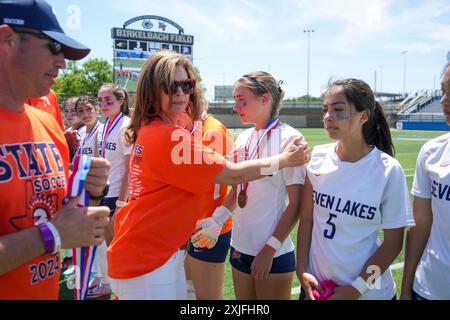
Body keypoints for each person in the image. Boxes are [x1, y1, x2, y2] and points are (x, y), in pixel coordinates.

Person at [106, 51, 309, 300]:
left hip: (150, 250)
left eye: (187, 84)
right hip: (148, 257)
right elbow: (232, 175)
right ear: (152, 88)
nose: (181, 92)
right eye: (171, 85)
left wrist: (221, 218)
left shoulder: (155, 128)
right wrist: (284, 160)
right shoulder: (169, 135)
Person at [0, 0, 110, 299]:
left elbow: (59, 213)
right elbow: (56, 230)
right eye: (52, 47)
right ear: (7, 40)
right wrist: (52, 236)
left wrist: (89, 191)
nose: (62, 62)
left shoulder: (48, 124)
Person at [296, 78, 415, 300]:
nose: (328, 117)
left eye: (338, 110)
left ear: (364, 116)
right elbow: (307, 220)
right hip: (318, 290)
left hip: (369, 294)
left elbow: (392, 243)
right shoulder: (318, 157)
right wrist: (302, 269)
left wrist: (357, 288)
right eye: (325, 110)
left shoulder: (388, 170)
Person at [192, 71, 306, 300]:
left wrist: (270, 248)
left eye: (241, 100)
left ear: (265, 98)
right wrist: (218, 219)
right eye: (235, 100)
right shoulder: (244, 137)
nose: (235, 107)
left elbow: (296, 205)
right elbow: (239, 189)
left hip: (272, 253)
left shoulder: (291, 140)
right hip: (239, 247)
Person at [400, 63, 450, 300]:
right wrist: (406, 286)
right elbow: (420, 224)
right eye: (443, 90)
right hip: (428, 289)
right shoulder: (431, 152)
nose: (444, 100)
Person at [184, 109, 234, 300]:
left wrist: (217, 221)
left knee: (208, 298)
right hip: (188, 224)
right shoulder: (184, 128)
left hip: (208, 226)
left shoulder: (213, 130)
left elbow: (235, 184)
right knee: (188, 291)